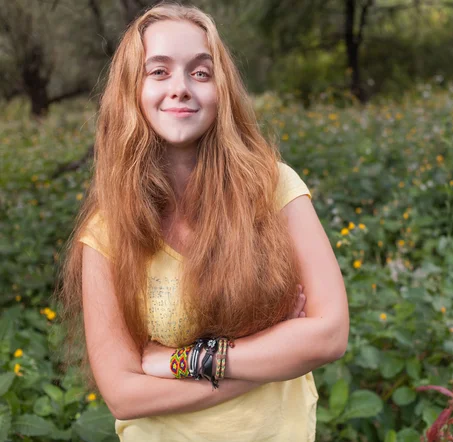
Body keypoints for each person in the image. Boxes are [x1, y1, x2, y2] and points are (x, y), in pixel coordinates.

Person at [57, 3, 349, 441]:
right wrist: (274, 358)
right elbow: (124, 395)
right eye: (158, 72)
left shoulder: (273, 187)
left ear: (222, 89)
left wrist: (174, 362)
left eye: (200, 72)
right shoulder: (107, 231)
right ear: (130, 91)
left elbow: (329, 336)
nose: (180, 88)